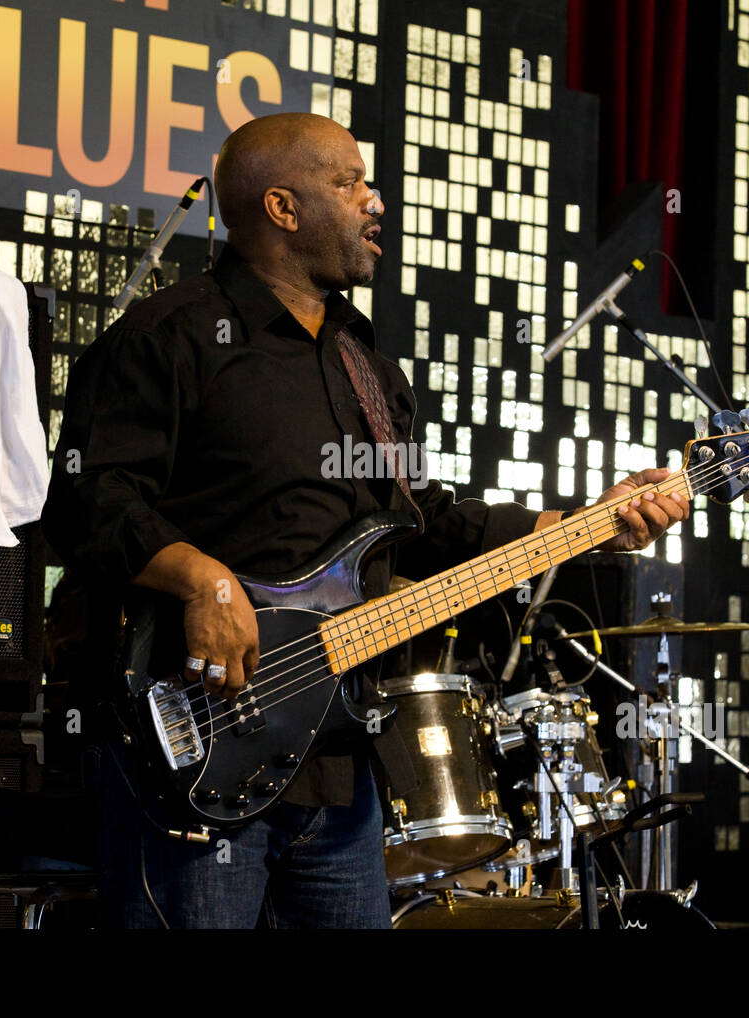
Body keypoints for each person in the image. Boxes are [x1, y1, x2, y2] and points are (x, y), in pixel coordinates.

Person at [42, 112, 688, 929]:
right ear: (282, 208)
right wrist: (199, 578)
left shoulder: (369, 366)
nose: (373, 203)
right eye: (348, 183)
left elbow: (427, 521)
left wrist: (591, 520)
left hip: (343, 770)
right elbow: (85, 500)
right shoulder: (168, 339)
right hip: (197, 751)